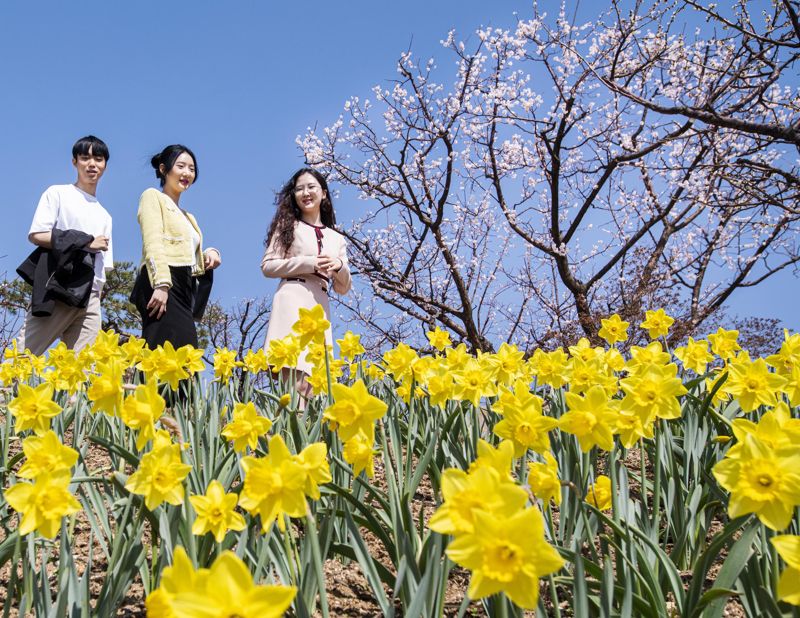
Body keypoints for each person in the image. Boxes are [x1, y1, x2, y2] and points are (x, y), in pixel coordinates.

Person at [16, 135, 113, 356]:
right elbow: (37, 235)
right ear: (74, 162)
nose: (92, 164)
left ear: (105, 165)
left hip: (90, 298)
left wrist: (96, 298)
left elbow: (102, 268)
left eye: (98, 159)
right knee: (23, 357)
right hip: (59, 287)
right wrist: (86, 241)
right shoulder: (58, 193)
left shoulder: (105, 215)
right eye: (85, 157)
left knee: (83, 371)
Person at [261, 168, 352, 397]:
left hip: (320, 306)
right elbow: (268, 266)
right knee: (294, 383)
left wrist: (339, 266)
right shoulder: (288, 227)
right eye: (299, 188)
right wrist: (308, 263)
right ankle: (291, 431)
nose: (305, 192)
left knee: (315, 386)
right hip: (292, 299)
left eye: (311, 187)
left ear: (323, 193)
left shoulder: (336, 238)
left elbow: (343, 288)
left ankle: (308, 434)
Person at [131, 144, 221, 349]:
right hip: (163, 281)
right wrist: (161, 284)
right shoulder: (152, 196)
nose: (187, 173)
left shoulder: (189, 217)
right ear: (164, 169)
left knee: (185, 354)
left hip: (184, 286)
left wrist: (210, 253)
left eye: (192, 168)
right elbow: (152, 241)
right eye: (181, 166)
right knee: (163, 351)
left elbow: (188, 253)